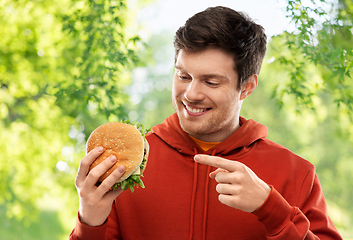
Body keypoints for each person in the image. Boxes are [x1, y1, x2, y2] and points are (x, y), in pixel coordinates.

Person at [69, 6, 342, 240]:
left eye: (211, 82)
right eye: (183, 76)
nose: (191, 94)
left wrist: (271, 209)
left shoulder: (295, 173)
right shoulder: (125, 167)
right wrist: (89, 221)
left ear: (247, 87)